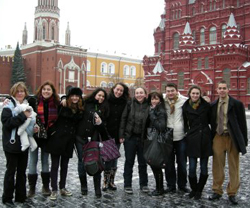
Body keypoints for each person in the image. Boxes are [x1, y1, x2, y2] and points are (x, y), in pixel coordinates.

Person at [209, 80, 248, 205]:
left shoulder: (236, 104)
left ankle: (232, 193)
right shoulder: (213, 104)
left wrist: (244, 141)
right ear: (217, 90)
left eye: (224, 88)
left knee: (234, 166)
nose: (221, 90)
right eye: (219, 88)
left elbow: (242, 124)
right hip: (218, 137)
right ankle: (217, 190)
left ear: (228, 89)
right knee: (217, 166)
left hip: (232, 138)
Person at [45, 87, 84, 200]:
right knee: (55, 165)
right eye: (72, 95)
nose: (75, 98)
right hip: (57, 138)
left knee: (65, 165)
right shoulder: (62, 105)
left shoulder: (80, 108)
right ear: (69, 96)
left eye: (77, 96)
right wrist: (63, 98)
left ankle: (62, 187)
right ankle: (54, 189)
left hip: (69, 140)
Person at [1, 82, 33, 205]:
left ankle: (21, 196)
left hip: (23, 144)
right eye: (18, 91)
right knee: (10, 172)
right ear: (13, 92)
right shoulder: (8, 106)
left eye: (22, 91)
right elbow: (7, 123)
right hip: (11, 144)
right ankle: (7, 198)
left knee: (22, 172)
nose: (20, 93)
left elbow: (29, 123)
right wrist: (22, 116)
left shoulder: (26, 105)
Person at [27, 81, 60, 197]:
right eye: (44, 89)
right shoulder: (33, 101)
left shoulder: (56, 103)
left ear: (52, 91)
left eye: (49, 89)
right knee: (33, 161)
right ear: (41, 90)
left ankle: (46, 186)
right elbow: (25, 113)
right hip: (34, 136)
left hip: (47, 137)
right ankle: (31, 187)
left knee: (45, 161)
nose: (46, 91)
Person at [76, 88, 109, 198]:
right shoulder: (85, 103)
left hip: (94, 140)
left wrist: (100, 123)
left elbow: (103, 129)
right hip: (81, 138)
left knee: (96, 162)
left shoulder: (104, 108)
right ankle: (83, 187)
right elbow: (74, 102)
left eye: (103, 96)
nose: (101, 98)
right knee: (82, 162)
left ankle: (97, 189)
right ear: (95, 95)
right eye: (99, 95)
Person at [182, 85, 212, 200]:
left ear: (200, 94)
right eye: (193, 93)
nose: (195, 95)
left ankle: (199, 190)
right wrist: (187, 132)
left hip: (204, 138)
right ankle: (194, 189)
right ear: (189, 94)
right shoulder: (185, 107)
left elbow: (211, 120)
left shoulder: (206, 106)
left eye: (197, 93)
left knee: (204, 167)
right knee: (192, 167)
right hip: (192, 138)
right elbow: (184, 122)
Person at [119, 87, 149, 194]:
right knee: (129, 162)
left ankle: (144, 184)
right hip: (130, 137)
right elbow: (123, 119)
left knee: (142, 162)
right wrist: (121, 135)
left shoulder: (149, 105)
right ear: (134, 94)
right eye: (137, 93)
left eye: (141, 93)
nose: (139, 95)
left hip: (143, 138)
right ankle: (127, 185)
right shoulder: (130, 104)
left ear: (145, 94)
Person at [103, 83, 129, 191]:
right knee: (108, 158)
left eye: (121, 91)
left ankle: (112, 181)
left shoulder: (125, 102)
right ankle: (105, 181)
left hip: (118, 134)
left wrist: (122, 135)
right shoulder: (107, 100)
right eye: (117, 89)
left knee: (114, 158)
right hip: (107, 133)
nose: (118, 92)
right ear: (113, 89)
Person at [164, 83, 189, 193]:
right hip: (167, 137)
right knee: (169, 163)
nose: (170, 93)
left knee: (182, 163)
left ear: (176, 91)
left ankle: (182, 185)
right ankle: (170, 185)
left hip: (181, 136)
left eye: (172, 90)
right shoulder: (162, 101)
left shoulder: (184, 101)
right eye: (168, 91)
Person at [146, 92, 167, 196]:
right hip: (152, 139)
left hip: (158, 140)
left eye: (156, 99)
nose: (154, 101)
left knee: (156, 164)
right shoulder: (153, 109)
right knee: (153, 164)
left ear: (160, 100)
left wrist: (152, 115)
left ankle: (160, 189)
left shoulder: (160, 111)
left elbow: (161, 126)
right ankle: (159, 187)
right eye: (152, 99)